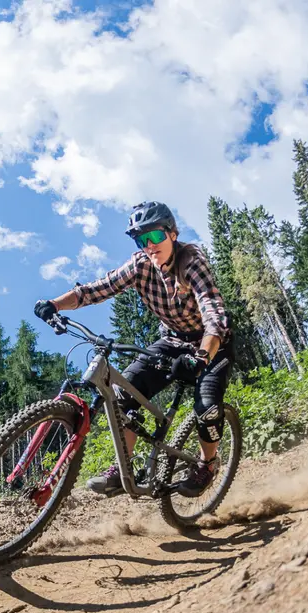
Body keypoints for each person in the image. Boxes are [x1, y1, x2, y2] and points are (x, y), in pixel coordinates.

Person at [34, 201, 233, 498]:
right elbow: (95, 290)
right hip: (173, 341)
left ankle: (207, 463)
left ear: (173, 234)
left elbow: (213, 314)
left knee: (207, 407)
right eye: (143, 240)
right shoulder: (140, 266)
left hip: (212, 343)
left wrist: (201, 357)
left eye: (156, 237)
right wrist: (54, 304)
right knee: (120, 395)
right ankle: (122, 469)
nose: (150, 246)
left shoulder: (191, 261)